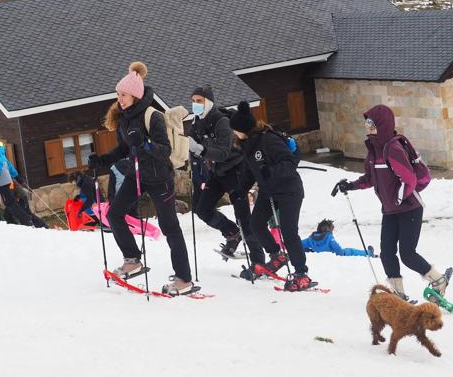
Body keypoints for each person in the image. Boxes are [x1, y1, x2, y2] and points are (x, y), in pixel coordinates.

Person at [88, 61, 194, 296]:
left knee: (170, 227)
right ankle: (133, 259)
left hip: (159, 178)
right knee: (114, 214)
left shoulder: (152, 116)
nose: (119, 99)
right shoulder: (124, 118)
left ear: (134, 94)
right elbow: (124, 149)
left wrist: (144, 143)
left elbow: (163, 150)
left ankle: (184, 279)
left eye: (123, 94)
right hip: (137, 175)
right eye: (118, 94)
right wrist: (102, 161)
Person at [333, 104, 450, 303]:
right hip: (390, 211)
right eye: (366, 122)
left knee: (407, 253)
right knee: (387, 252)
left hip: (410, 208)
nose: (367, 126)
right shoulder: (373, 151)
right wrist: (350, 186)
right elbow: (370, 178)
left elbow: (409, 180)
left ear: (382, 124)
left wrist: (397, 199)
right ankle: (398, 294)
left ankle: (438, 280)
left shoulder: (393, 148)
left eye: (371, 123)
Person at [229, 101, 315, 291]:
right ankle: (277, 255)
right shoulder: (247, 145)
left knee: (289, 231)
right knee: (256, 224)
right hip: (269, 191)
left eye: (235, 130)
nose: (234, 133)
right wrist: (240, 191)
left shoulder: (269, 140)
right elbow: (249, 172)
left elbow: (289, 162)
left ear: (243, 128)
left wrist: (270, 172)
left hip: (289, 189)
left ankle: (302, 273)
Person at [188, 85, 264, 279]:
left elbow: (222, 153)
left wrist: (199, 149)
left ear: (209, 102)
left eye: (199, 101)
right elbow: (194, 148)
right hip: (216, 173)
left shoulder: (221, 121)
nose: (195, 105)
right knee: (202, 209)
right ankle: (232, 233)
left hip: (235, 171)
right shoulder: (196, 122)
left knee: (244, 217)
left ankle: (258, 262)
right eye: (193, 101)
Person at [0, 133, 33, 227]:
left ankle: (27, 221)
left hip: (2, 181)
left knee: (9, 203)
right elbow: (8, 165)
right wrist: (16, 176)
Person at [301, 219, 376, 257]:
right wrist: (341, 254)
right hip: (335, 254)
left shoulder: (310, 239)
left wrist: (309, 251)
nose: (332, 230)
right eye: (332, 228)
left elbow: (299, 245)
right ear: (327, 229)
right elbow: (337, 249)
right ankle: (369, 253)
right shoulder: (329, 238)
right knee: (352, 251)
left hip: (320, 254)